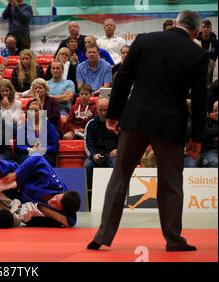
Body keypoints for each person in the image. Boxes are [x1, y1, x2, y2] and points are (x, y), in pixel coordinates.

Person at [87, 10, 208, 252]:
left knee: (119, 176)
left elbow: (122, 79)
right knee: (171, 183)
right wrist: (196, 137)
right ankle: (173, 240)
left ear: (174, 23)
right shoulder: (197, 53)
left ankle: (102, 236)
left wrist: (113, 114)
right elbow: (199, 100)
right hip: (170, 125)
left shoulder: (144, 40)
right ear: (195, 32)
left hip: (136, 120)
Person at [0, 108, 80, 227]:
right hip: (15, 175)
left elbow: (70, 221)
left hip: (12, 194)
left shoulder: (66, 209)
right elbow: (37, 158)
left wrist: (54, 214)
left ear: (62, 210)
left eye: (56, 205)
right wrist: (16, 176)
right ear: (61, 193)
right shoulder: (55, 184)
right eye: (56, 198)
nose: (52, 201)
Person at [83, 98, 118, 198]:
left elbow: (124, 140)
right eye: (100, 110)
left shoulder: (117, 123)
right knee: (87, 165)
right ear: (96, 109)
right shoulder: (91, 124)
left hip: (112, 155)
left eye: (105, 110)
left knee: (116, 164)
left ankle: (115, 196)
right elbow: (87, 144)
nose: (103, 113)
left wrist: (118, 151)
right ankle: (89, 198)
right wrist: (93, 155)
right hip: (97, 155)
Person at [14, 99, 59, 167]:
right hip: (27, 155)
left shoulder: (49, 126)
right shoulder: (23, 128)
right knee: (31, 160)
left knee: (40, 159)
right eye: (31, 111)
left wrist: (44, 149)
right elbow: (17, 146)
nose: (33, 113)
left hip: (44, 154)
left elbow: (55, 146)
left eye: (36, 111)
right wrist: (29, 149)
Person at [198, 100, 218, 167]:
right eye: (215, 111)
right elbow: (204, 133)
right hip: (211, 152)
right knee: (215, 162)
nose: (217, 113)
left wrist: (212, 136)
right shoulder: (208, 122)